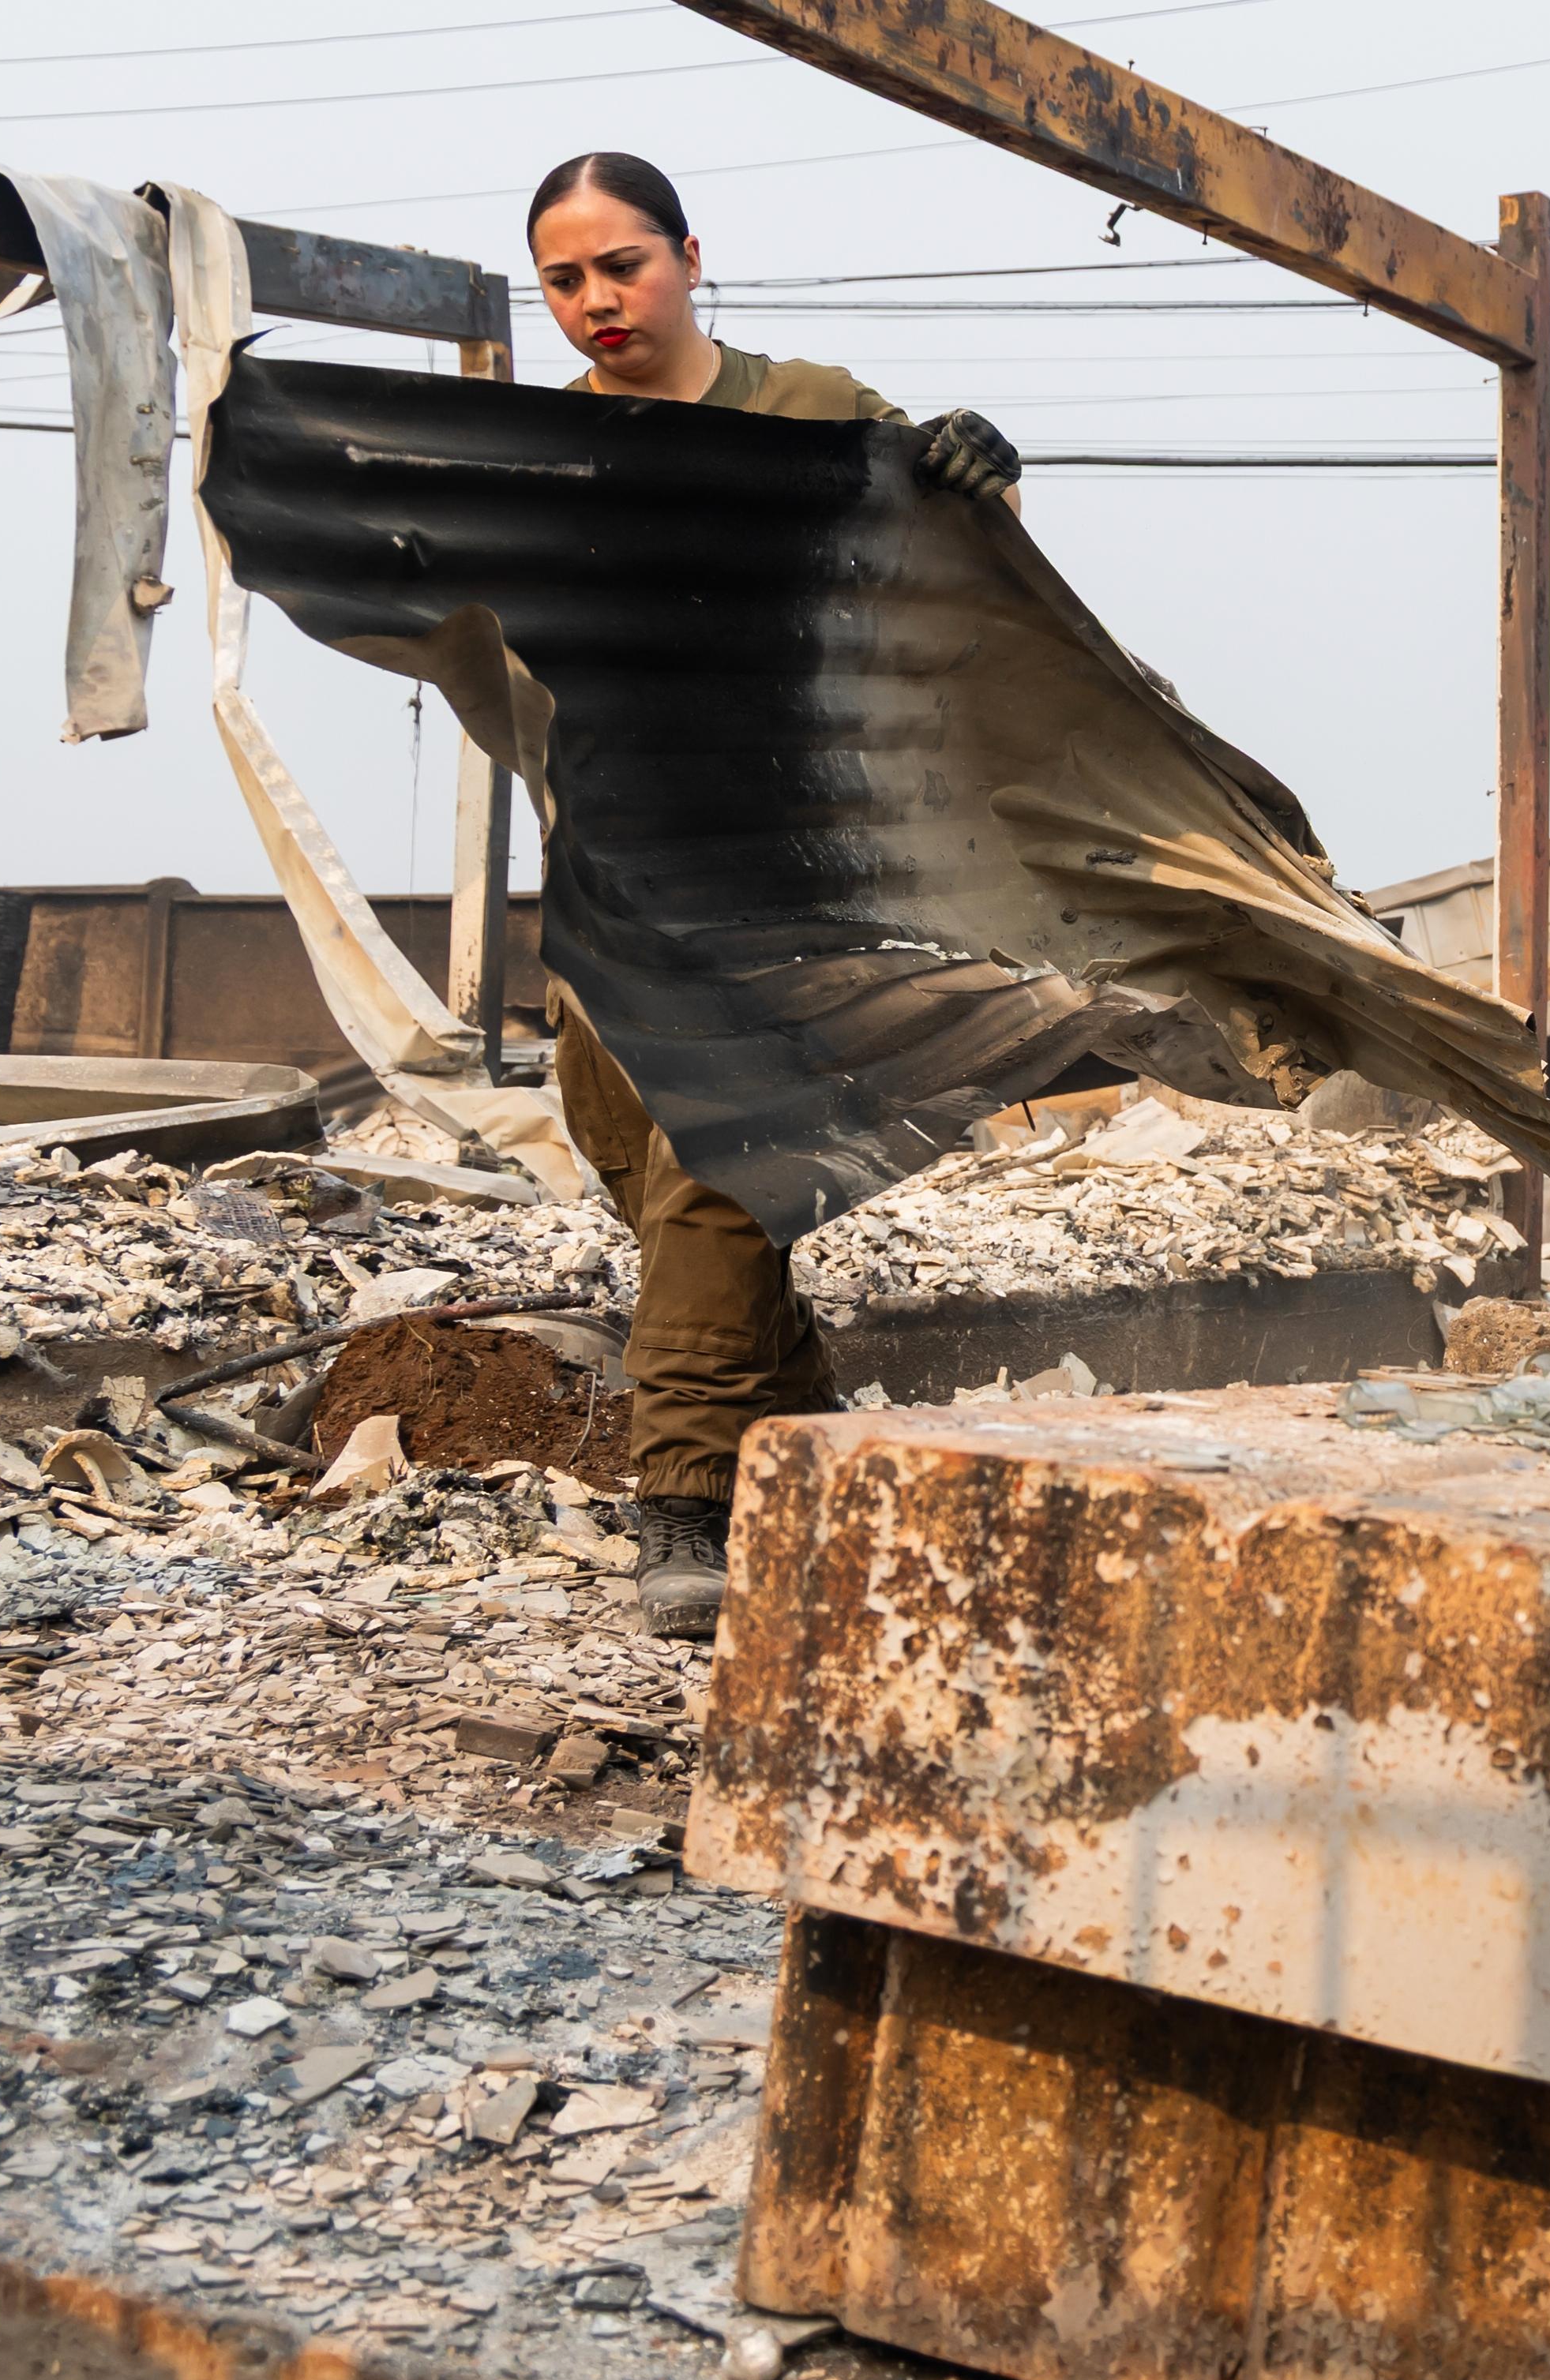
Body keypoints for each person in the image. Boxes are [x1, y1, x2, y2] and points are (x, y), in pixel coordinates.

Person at [524, 150, 1020, 1641]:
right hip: (611, 866)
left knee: (713, 1152)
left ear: (687, 255)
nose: (598, 301)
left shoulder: (810, 412)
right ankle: (800, 1440)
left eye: (623, 264)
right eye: (563, 280)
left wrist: (970, 472)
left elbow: (946, 563)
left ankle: (678, 1497)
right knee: (655, 1172)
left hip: (782, 868)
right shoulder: (526, 457)